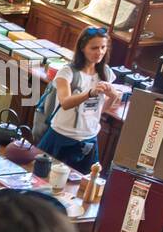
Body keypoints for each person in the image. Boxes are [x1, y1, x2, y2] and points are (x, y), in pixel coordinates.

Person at [38, 27, 121, 172]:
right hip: (61, 136)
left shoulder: (106, 73)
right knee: (44, 179)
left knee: (81, 187)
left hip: (89, 139)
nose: (100, 52)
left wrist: (113, 95)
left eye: (103, 47)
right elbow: (65, 102)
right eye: (94, 48)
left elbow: (99, 111)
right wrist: (89, 93)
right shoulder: (67, 72)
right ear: (83, 48)